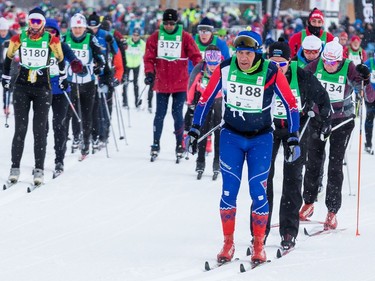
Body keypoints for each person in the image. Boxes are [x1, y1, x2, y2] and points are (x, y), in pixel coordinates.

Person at [185, 30, 300, 264]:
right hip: (231, 137)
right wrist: (195, 127)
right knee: (228, 193)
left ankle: (258, 245)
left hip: (261, 139)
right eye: (239, 52)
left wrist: (293, 136)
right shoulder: (225, 68)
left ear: (257, 53)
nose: (243, 58)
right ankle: (228, 243)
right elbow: (206, 99)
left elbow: (290, 104)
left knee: (258, 193)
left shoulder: (271, 71)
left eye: (248, 53)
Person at [299, 38, 375, 229]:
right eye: (326, 61)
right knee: (313, 162)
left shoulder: (349, 68)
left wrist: (366, 79)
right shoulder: (315, 66)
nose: (329, 66)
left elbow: (369, 96)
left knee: (335, 165)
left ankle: (332, 211)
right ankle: (308, 202)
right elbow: (299, 84)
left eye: (333, 63)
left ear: (340, 60)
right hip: (318, 118)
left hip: (342, 121)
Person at [266, 38, 331, 250]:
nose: (277, 68)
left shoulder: (302, 76)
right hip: (269, 128)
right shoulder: (262, 75)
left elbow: (323, 98)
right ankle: (260, 231)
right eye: (272, 63)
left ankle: (288, 231)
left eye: (281, 64)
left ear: (289, 61)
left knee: (292, 179)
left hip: (296, 129)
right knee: (263, 179)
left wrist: (323, 122)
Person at [2, 7, 67, 185]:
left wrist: (63, 78)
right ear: (29, 22)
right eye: (32, 21)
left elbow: (60, 60)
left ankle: (38, 169)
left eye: (38, 21)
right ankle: (14, 168)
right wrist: (6, 77)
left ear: (43, 24)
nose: (35, 25)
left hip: (43, 88)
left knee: (39, 131)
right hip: (22, 86)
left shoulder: (51, 40)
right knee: (20, 129)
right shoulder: (19, 37)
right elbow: (8, 57)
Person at [143, 8, 201, 161]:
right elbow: (148, 57)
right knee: (159, 115)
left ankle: (179, 145)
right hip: (161, 83)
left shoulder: (185, 37)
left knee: (177, 115)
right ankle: (155, 144)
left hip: (180, 84)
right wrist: (149, 73)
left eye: (171, 23)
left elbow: (195, 56)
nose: (169, 26)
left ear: (176, 23)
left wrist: (200, 71)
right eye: (166, 23)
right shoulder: (155, 37)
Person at [63, 13, 105, 159]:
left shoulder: (90, 39)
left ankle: (86, 142)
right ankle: (73, 137)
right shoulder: (65, 39)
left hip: (87, 81)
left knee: (87, 114)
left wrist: (99, 66)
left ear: (84, 27)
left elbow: (100, 57)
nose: (78, 30)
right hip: (70, 81)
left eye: (80, 27)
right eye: (75, 27)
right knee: (70, 113)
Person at [44, 17, 83, 175]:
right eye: (46, 31)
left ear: (57, 33)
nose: (49, 34)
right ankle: (39, 160)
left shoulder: (61, 45)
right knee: (42, 127)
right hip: (43, 91)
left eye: (52, 31)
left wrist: (76, 63)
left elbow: (73, 57)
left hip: (61, 91)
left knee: (59, 125)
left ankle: (59, 160)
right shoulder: (39, 47)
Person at [87, 12, 124, 149]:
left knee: (104, 107)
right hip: (89, 76)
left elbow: (118, 56)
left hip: (105, 75)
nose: (93, 31)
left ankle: (104, 135)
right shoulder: (84, 35)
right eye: (90, 28)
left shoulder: (106, 36)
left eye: (95, 28)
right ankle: (92, 134)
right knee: (90, 107)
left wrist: (118, 77)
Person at [186, 45, 223, 178]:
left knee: (219, 131)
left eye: (215, 63)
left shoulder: (224, 68)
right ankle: (200, 161)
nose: (213, 66)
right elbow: (191, 85)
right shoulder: (200, 68)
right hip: (204, 100)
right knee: (203, 130)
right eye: (210, 63)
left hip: (219, 101)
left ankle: (217, 162)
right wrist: (190, 102)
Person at [123, 27, 145, 108]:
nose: (135, 37)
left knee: (136, 84)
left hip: (136, 65)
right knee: (125, 83)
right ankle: (124, 101)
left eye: (137, 35)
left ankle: (137, 102)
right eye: (134, 35)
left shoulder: (142, 44)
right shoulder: (127, 42)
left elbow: (146, 54)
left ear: (139, 36)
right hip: (127, 65)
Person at [0, 17, 13, 115]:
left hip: (8, 64)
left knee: (6, 85)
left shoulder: (12, 35)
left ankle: (6, 106)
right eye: (1, 30)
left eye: (4, 30)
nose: (3, 32)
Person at [363, 54, 375, 154]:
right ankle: (368, 143)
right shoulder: (370, 62)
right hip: (371, 96)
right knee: (370, 117)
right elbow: (361, 75)